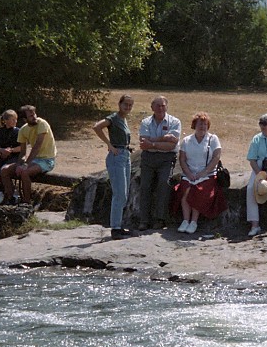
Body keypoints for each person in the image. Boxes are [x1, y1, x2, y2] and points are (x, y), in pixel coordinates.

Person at [171, 112, 228, 234]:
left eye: (205, 124)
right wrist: (188, 173)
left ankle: (194, 222)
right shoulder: (187, 141)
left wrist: (203, 172)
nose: (202, 127)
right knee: (185, 189)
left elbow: (216, 157)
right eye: (200, 124)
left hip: (207, 174)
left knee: (198, 190)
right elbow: (182, 159)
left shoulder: (213, 139)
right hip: (189, 173)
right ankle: (185, 220)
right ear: (194, 125)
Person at [93, 94, 135, 239]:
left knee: (124, 193)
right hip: (116, 156)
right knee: (119, 194)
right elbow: (97, 127)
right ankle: (115, 228)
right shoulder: (113, 118)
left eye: (130, 105)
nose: (127, 107)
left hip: (125, 155)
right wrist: (109, 144)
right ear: (120, 104)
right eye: (125, 104)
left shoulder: (124, 120)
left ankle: (119, 225)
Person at [138, 95, 182, 230]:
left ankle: (160, 219)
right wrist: (163, 138)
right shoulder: (145, 122)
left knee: (164, 184)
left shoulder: (175, 122)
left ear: (167, 107)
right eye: (157, 105)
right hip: (148, 158)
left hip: (167, 158)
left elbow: (171, 146)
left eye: (163, 105)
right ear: (152, 107)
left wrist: (151, 143)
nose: (160, 108)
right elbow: (143, 144)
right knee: (145, 186)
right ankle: (143, 220)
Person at [0, 105, 57, 205]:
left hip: (47, 160)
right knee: (4, 170)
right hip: (34, 160)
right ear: (25, 119)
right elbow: (22, 152)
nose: (34, 117)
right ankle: (11, 198)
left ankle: (26, 202)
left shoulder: (42, 124)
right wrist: (19, 164)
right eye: (31, 116)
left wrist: (25, 165)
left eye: (34, 114)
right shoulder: (23, 130)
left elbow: (37, 146)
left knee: (25, 172)